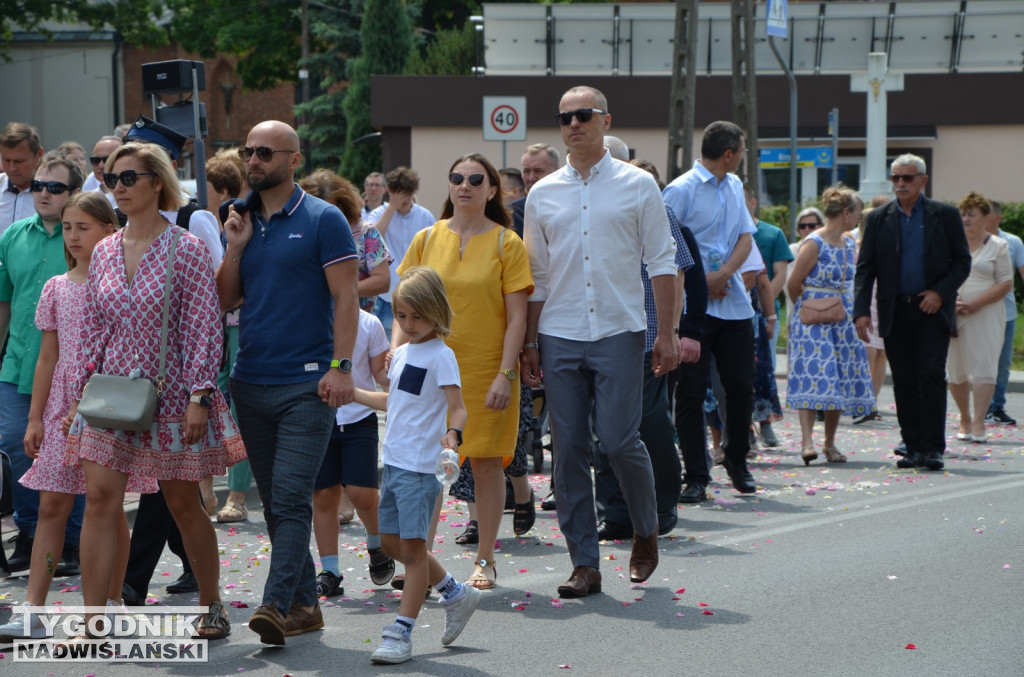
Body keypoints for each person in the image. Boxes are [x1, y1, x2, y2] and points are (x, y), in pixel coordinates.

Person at [66, 142, 245, 640]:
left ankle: (213, 603)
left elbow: (205, 329)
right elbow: (94, 328)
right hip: (109, 394)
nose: (117, 187)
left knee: (183, 504)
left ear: (157, 182)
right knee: (101, 500)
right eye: (111, 178)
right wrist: (80, 395)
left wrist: (199, 396)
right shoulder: (103, 250)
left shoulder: (185, 248)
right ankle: (94, 618)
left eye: (129, 177)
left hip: (170, 395)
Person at [523, 85, 678, 598]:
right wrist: (529, 343)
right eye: (564, 116)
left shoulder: (638, 186)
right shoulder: (543, 194)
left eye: (583, 115)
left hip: (619, 329)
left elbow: (662, 262)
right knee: (567, 450)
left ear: (605, 121)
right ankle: (584, 563)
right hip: (560, 333)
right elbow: (537, 278)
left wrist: (669, 333)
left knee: (616, 440)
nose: (573, 124)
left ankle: (645, 529)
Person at [217, 120, 359, 645]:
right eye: (248, 151)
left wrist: (341, 368)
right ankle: (305, 605)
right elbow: (226, 299)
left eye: (264, 152)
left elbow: (347, 297)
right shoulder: (240, 219)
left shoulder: (324, 220)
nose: (253, 161)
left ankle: (275, 603)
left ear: (293, 159)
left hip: (308, 385)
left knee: (292, 497)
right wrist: (235, 246)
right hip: (250, 381)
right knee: (277, 503)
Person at [0, 193, 158, 642]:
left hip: (107, 404)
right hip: (58, 409)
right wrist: (35, 418)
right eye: (67, 227)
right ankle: (33, 608)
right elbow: (47, 357)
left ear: (111, 231)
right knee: (51, 504)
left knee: (108, 507)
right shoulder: (55, 287)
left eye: (83, 227)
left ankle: (110, 602)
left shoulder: (122, 284)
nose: (72, 237)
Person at [398, 152, 533, 589]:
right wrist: (396, 353)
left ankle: (485, 559)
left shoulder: (506, 242)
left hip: (485, 370)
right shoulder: (426, 238)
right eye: (458, 177)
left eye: (477, 179)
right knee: (429, 465)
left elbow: (518, 318)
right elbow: (406, 303)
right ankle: (422, 564)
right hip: (431, 370)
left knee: (488, 464)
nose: (465, 185)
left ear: (492, 190)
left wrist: (505, 374)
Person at [351, 266, 480, 665]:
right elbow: (394, 402)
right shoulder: (403, 353)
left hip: (422, 469)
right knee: (392, 545)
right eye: (402, 315)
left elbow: (457, 407)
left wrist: (453, 435)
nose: (407, 324)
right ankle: (456, 593)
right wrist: (350, 393)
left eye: (416, 316)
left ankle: (401, 633)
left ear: (436, 311)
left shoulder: (443, 356)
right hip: (393, 463)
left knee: (412, 549)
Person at [594, 154, 705, 540]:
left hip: (643, 331)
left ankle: (660, 503)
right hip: (594, 333)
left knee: (647, 421)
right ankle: (616, 511)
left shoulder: (648, 199)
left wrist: (671, 330)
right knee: (604, 426)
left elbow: (675, 267)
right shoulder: (580, 202)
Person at [854, 154, 971, 471]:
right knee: (904, 379)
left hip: (931, 309)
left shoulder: (944, 215)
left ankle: (933, 447)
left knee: (931, 375)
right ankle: (914, 446)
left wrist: (939, 292)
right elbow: (866, 269)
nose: (901, 184)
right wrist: (861, 311)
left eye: (907, 178)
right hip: (895, 310)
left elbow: (962, 262)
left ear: (923, 180)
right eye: (896, 178)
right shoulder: (879, 218)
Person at [0, 153, 86, 576]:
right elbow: (4, 303)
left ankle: (73, 539)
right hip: (19, 367)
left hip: (74, 376)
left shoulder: (86, 240)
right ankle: (30, 534)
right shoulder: (12, 235)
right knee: (19, 448)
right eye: (37, 186)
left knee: (75, 456)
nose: (43, 194)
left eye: (54, 187)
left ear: (74, 193)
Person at [663, 120, 757, 503]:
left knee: (740, 389)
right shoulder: (680, 190)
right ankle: (696, 474)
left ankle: (736, 458)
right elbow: (662, 244)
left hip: (733, 303)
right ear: (729, 154)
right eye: (742, 151)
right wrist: (702, 280)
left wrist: (724, 274)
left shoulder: (735, 186)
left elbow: (745, 236)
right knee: (690, 393)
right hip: (692, 308)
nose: (743, 158)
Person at [787, 185, 875, 463]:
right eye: (858, 212)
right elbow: (793, 284)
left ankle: (830, 443)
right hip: (812, 320)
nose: (859, 218)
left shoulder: (850, 244)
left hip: (841, 317)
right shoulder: (814, 242)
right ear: (846, 213)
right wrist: (807, 308)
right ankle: (807, 442)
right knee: (811, 377)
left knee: (836, 379)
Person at [310, 309, 394, 597]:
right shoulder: (309, 315)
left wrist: (398, 367)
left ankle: (377, 545)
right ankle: (330, 570)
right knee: (323, 494)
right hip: (318, 416)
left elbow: (381, 374)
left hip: (360, 417)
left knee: (361, 492)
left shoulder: (369, 323)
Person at [947, 192, 1012, 444]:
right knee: (956, 369)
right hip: (953, 314)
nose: (966, 218)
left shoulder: (999, 246)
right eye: (962, 214)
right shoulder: (951, 243)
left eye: (971, 214)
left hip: (985, 313)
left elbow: (1005, 283)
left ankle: (978, 421)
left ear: (986, 218)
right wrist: (950, 301)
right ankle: (964, 417)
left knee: (985, 366)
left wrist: (973, 304)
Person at [300, 168, 392, 313]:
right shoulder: (301, 232)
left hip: (358, 321)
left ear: (342, 204)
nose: (321, 214)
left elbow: (383, 281)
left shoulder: (365, 232)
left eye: (327, 208)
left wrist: (340, 292)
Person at [745, 183, 792, 446]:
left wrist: (765, 310)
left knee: (764, 368)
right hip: (736, 313)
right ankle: (745, 428)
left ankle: (765, 422)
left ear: (752, 203)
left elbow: (778, 276)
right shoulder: (729, 233)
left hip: (762, 313)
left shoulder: (772, 234)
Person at [368, 167, 435, 342]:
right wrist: (392, 207)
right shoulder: (378, 214)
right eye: (399, 193)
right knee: (390, 346)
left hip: (418, 294)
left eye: (408, 193)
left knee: (417, 343)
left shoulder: (425, 216)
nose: (404, 199)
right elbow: (372, 241)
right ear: (389, 191)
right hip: (387, 296)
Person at [984, 200, 1024, 426]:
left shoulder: (1012, 242)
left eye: (984, 214)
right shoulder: (968, 240)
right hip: (975, 311)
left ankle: (996, 406)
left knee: (1002, 363)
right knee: (978, 362)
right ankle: (976, 408)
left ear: (996, 218)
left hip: (1005, 312)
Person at [0, 122, 44, 233]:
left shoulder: (53, 193)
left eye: (19, 161)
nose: (11, 168)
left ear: (39, 154)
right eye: (6, 160)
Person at [508, 143, 560, 235]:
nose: (531, 178)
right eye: (527, 171)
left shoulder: (571, 206)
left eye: (538, 171)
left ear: (556, 172)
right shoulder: (512, 213)